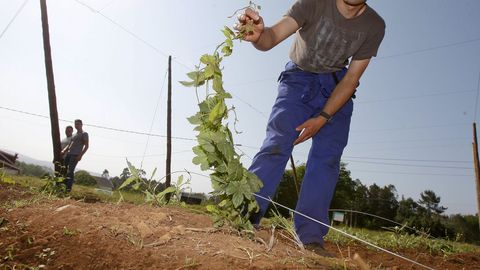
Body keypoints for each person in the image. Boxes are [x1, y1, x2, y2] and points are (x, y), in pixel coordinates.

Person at [237, 0, 385, 255]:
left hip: (336, 88)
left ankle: (311, 235)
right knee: (277, 143)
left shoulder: (374, 25)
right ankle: (246, 216)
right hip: (299, 79)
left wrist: (324, 117)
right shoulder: (314, 3)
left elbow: (351, 79)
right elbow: (271, 37)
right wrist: (259, 36)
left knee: (327, 158)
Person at [63, 119, 89, 192]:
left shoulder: (84, 134)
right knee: (64, 169)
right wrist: (64, 151)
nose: (76, 125)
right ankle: (63, 186)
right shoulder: (74, 134)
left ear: (81, 125)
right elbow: (70, 144)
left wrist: (80, 155)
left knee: (70, 171)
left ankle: (68, 189)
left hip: (75, 155)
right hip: (69, 154)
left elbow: (86, 146)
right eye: (75, 124)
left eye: (78, 124)